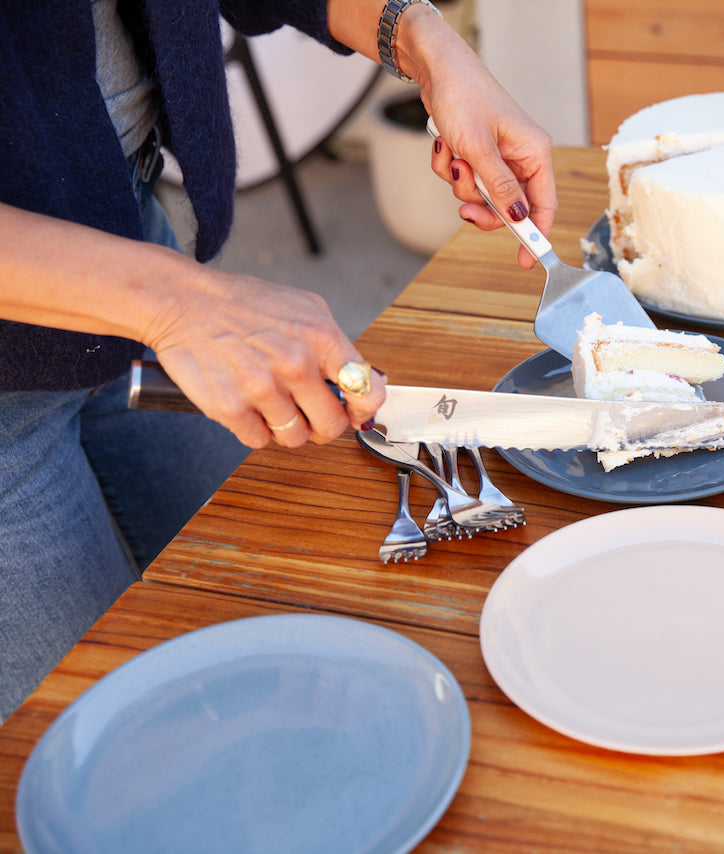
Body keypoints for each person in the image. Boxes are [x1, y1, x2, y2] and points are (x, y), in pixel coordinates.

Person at [0, 0, 556, 720]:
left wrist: (422, 39)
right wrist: (178, 305)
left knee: (264, 639)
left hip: (128, 237)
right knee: (103, 734)